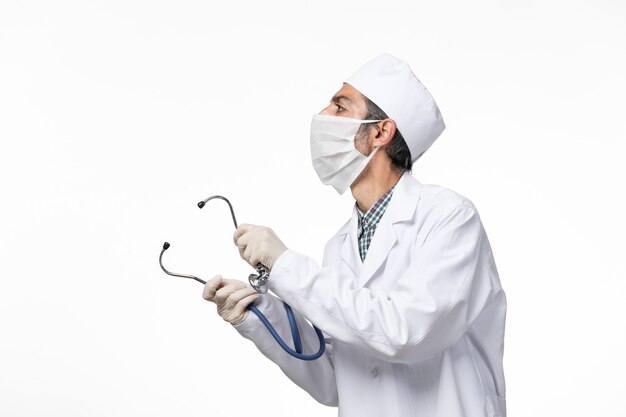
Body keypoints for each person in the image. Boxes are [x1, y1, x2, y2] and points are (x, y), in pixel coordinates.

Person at [202, 54, 507, 417]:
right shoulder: (340, 246)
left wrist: (284, 265)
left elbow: (405, 334)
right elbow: (336, 381)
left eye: (340, 106)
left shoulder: (449, 219)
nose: (323, 115)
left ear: (380, 132)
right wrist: (259, 316)